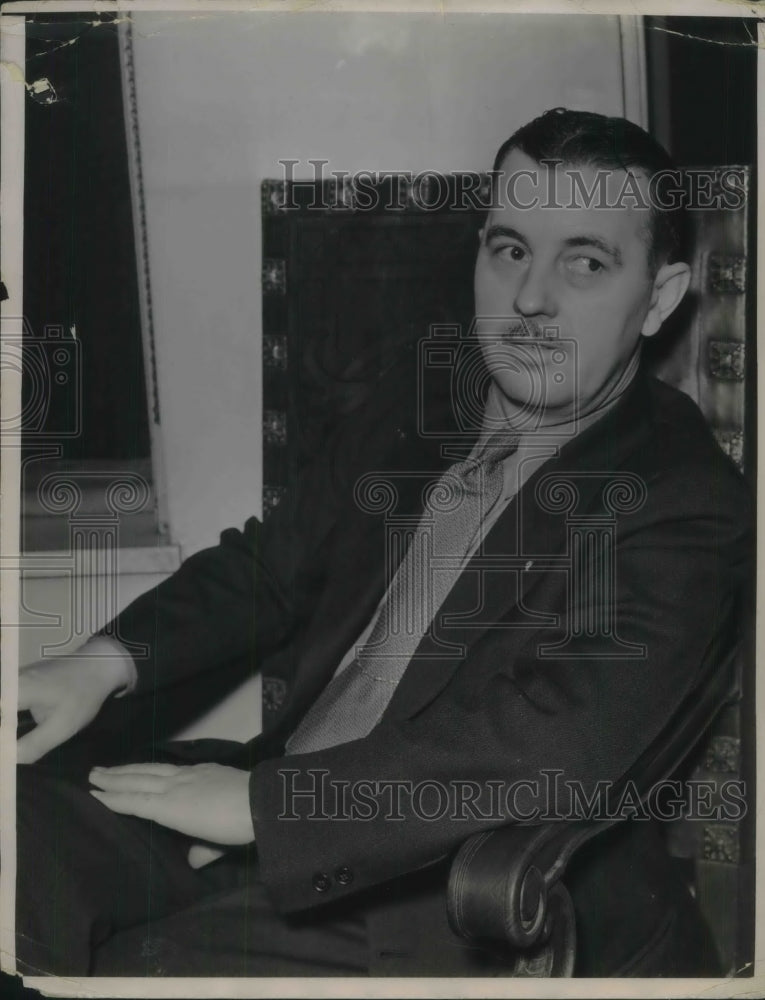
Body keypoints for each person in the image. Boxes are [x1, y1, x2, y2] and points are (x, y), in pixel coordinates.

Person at [16, 108, 751, 977]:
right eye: (510, 249)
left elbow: (553, 743)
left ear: (659, 297)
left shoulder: (682, 498)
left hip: (459, 898)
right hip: (274, 805)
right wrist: (104, 663)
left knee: (142, 968)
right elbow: (273, 563)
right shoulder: (424, 393)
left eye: (584, 263)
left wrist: (270, 811)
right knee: (16, 832)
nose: (529, 298)